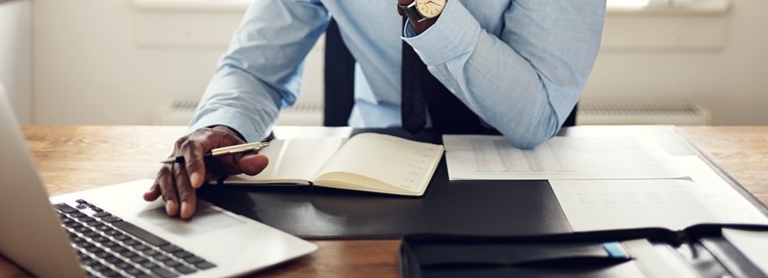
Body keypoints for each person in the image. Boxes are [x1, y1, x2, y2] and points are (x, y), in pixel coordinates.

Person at [144, 0, 606, 219]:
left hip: (518, 180)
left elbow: (536, 116)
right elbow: (255, 68)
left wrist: (432, 6)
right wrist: (221, 125)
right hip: (368, 176)